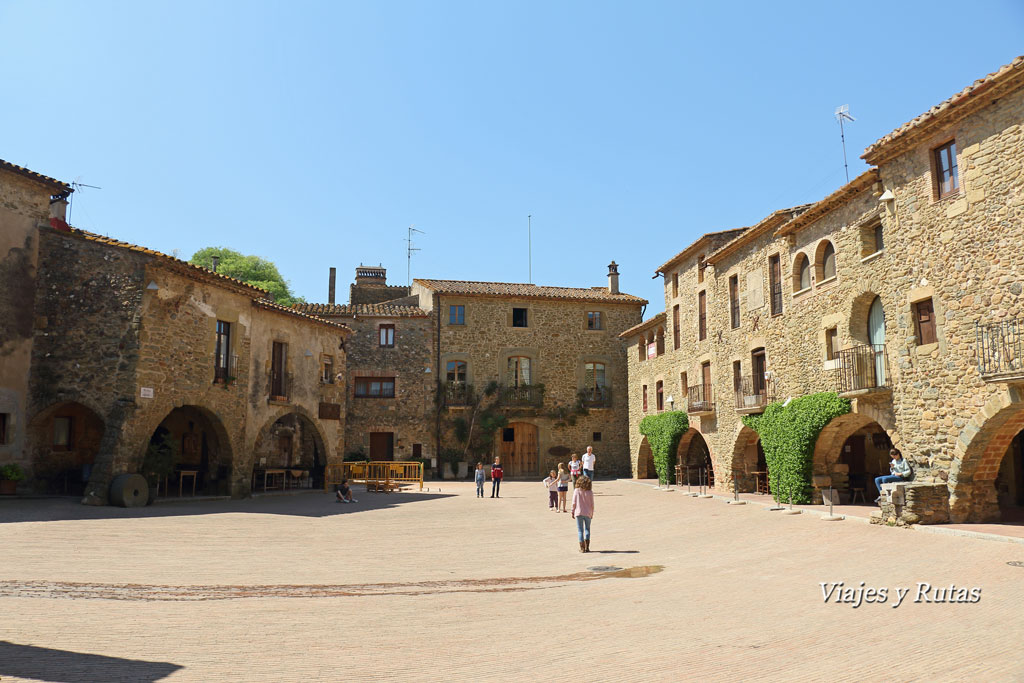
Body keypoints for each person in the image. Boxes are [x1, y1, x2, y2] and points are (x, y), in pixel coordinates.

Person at [571, 475, 595, 552]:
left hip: (578, 512)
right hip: (588, 513)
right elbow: (592, 504)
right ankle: (587, 547)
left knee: (580, 530)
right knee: (587, 529)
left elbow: (573, 503)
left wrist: (572, 511)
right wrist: (592, 514)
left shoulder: (576, 491)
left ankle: (582, 548)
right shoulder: (590, 492)